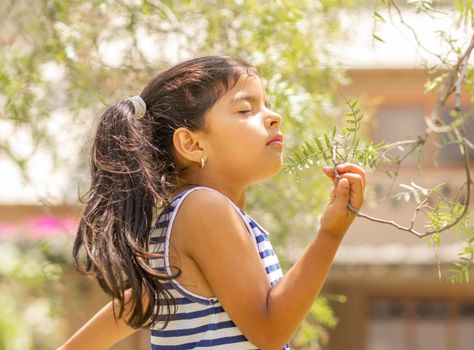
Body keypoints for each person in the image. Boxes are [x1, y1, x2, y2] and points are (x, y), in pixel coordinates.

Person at [58, 55, 366, 350]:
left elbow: (142, 299)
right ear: (192, 144)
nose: (274, 117)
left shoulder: (192, 213)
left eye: (267, 106)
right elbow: (269, 331)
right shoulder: (204, 208)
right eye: (246, 110)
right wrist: (329, 235)